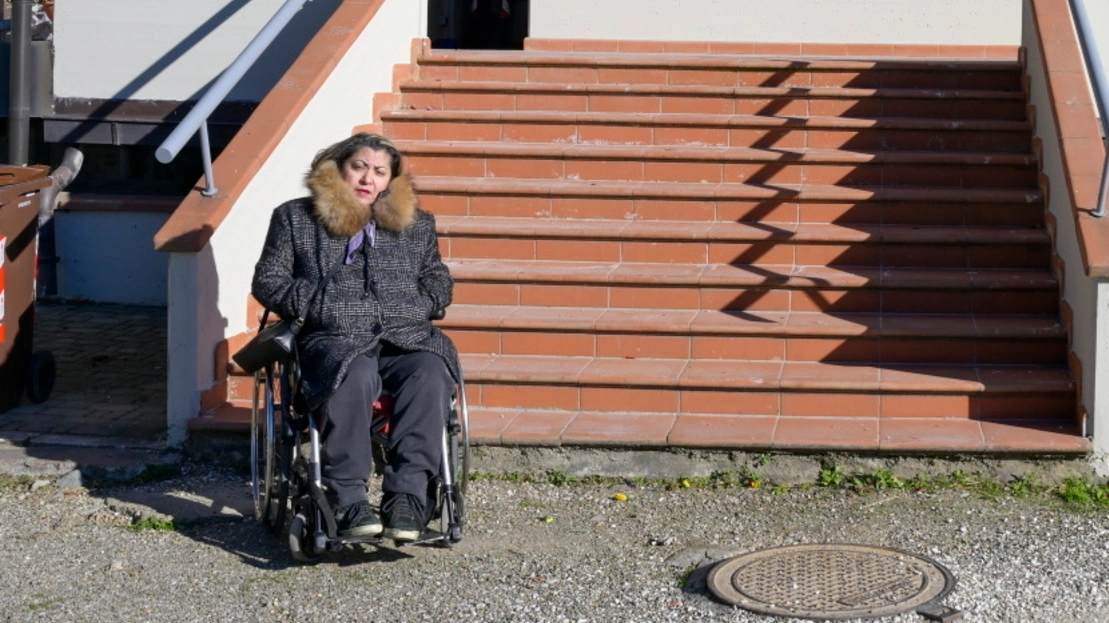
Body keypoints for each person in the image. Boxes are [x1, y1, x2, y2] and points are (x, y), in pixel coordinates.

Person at [251, 133, 459, 542]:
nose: (368, 178)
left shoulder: (418, 225)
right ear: (338, 168)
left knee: (431, 371)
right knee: (354, 373)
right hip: (334, 338)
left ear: (390, 180)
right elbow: (268, 280)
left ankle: (408, 497)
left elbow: (437, 278)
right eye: (359, 167)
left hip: (406, 335)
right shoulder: (295, 218)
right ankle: (347, 497)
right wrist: (317, 303)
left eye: (379, 171)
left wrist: (424, 300)